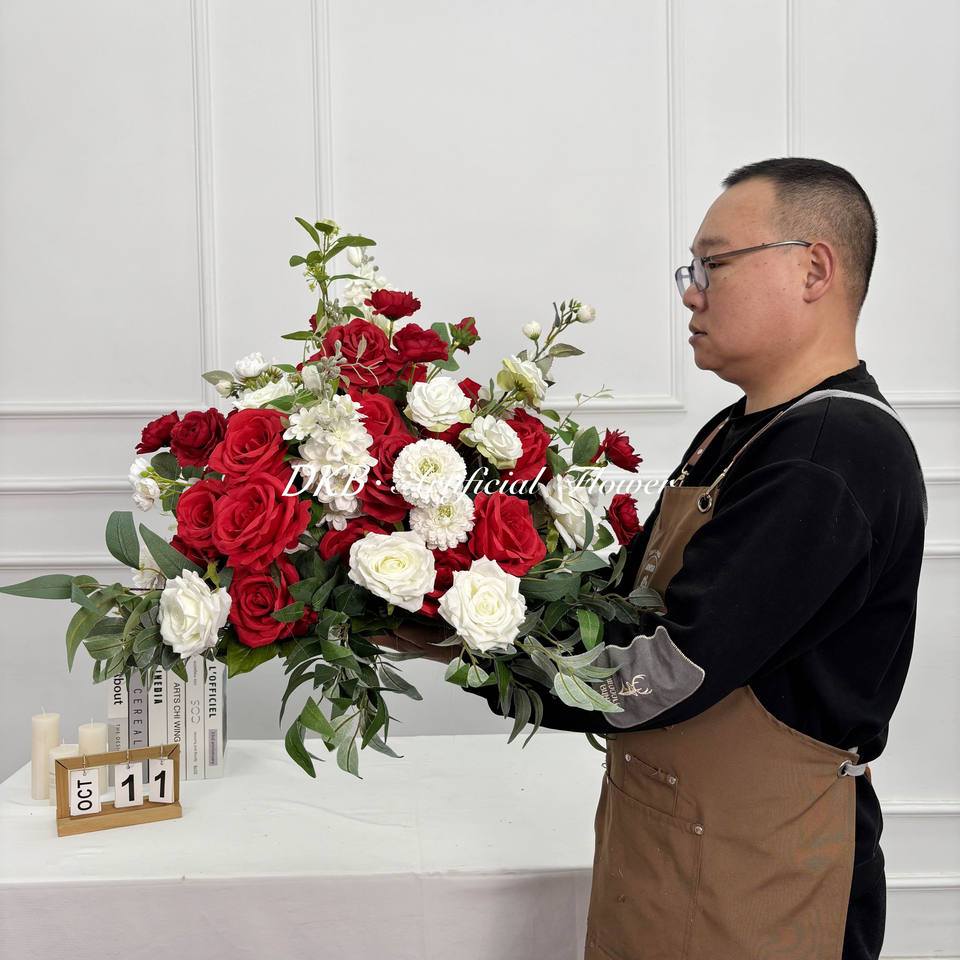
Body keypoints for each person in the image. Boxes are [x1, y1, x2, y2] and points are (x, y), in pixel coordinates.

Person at [372, 158, 927, 960]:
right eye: (689, 271)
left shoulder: (829, 454)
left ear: (814, 269)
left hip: (761, 881)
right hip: (675, 849)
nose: (691, 294)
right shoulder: (738, 432)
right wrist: (449, 593)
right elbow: (622, 599)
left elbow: (667, 671)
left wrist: (480, 648)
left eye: (713, 265)